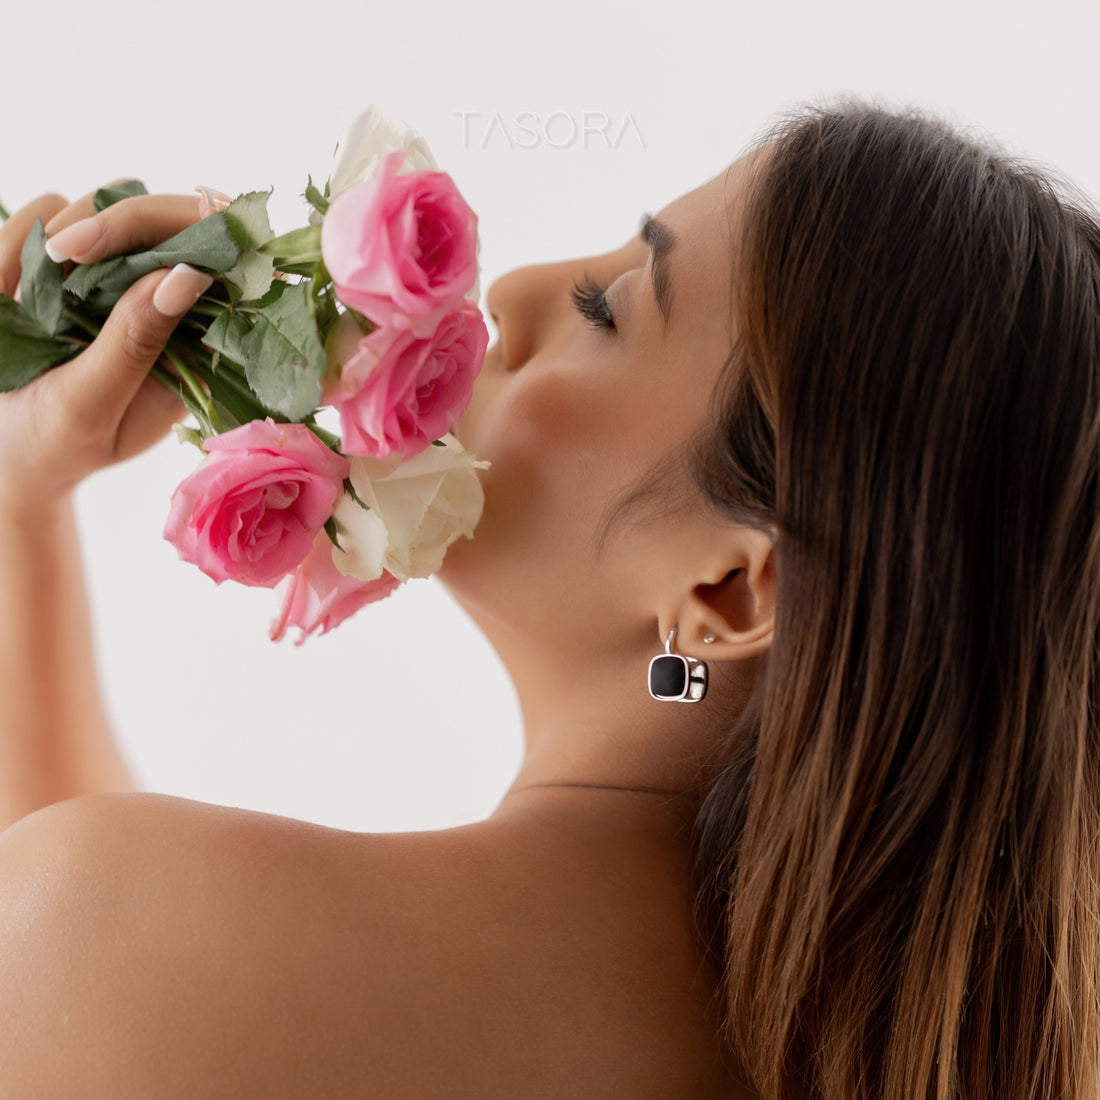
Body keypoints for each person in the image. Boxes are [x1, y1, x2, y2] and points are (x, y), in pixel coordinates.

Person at [0, 99, 1097, 1100]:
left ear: (721, 587)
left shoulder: (107, 930)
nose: (515, 295)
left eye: (605, 309)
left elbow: (87, 971)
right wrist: (20, 507)